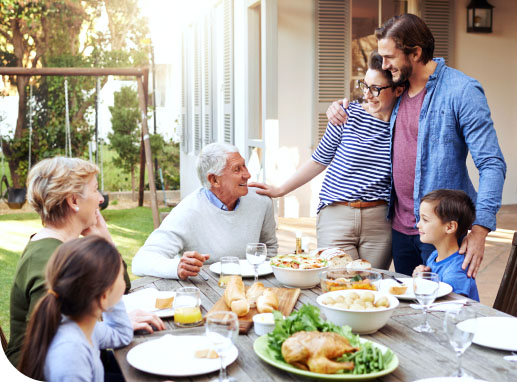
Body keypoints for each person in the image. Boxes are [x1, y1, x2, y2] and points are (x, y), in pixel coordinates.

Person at [327, 14, 506, 277]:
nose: (384, 64)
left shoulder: (461, 91)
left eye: (389, 57)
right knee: (409, 307)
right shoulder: (396, 90)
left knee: (444, 308)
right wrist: (337, 109)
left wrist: (480, 229)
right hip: (400, 229)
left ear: (415, 53)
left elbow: (492, 163)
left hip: (442, 233)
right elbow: (368, 103)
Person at [249, 53, 404, 269]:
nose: (368, 95)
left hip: (380, 222)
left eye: (376, 89)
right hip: (336, 216)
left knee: (370, 288)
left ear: (398, 89)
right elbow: (320, 159)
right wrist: (280, 190)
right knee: (337, 284)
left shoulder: (404, 124)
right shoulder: (346, 115)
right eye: (365, 86)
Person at [6, 157, 164, 368]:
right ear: (73, 201)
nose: (100, 199)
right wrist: (118, 325)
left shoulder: (66, 248)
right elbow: (56, 331)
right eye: (96, 190)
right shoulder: (48, 259)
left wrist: (105, 242)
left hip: (83, 356)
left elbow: (120, 288)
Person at [132, 142, 278, 279]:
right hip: (207, 291)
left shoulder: (261, 201)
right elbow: (141, 261)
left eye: (244, 166)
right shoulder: (188, 212)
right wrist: (177, 267)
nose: (247, 175)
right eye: (237, 169)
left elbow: (269, 248)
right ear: (214, 180)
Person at [18, 236, 134, 381]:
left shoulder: (84, 326)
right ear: (103, 297)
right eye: (121, 277)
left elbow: (121, 335)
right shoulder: (71, 353)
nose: (124, 282)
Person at [413, 189, 479, 301]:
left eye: (425, 219)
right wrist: (423, 277)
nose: (418, 225)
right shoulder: (434, 256)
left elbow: (452, 309)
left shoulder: (456, 270)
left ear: (450, 227)